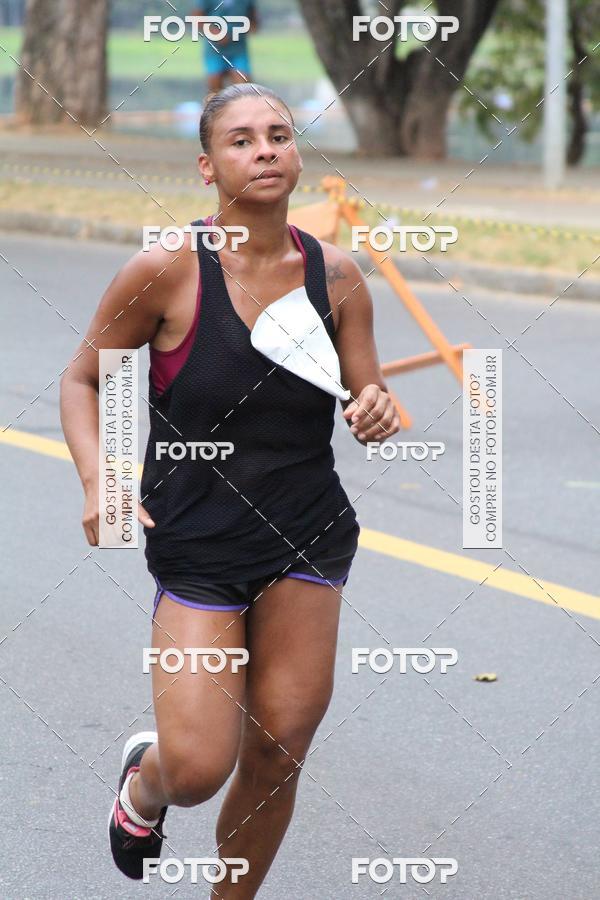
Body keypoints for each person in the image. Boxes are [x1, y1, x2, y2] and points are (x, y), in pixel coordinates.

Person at [60, 83, 400, 896]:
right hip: (199, 540)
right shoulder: (166, 270)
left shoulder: (337, 275)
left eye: (279, 134)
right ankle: (144, 786)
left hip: (307, 534)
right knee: (197, 768)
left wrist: (375, 409)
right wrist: (100, 479)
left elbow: (368, 396)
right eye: (242, 140)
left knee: (278, 751)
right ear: (208, 167)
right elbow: (81, 380)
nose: (266, 150)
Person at [192, 0, 258, 92]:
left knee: (244, 87)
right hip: (215, 49)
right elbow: (196, 18)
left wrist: (241, 30)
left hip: (238, 49)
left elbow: (253, 20)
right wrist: (214, 33)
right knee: (215, 87)